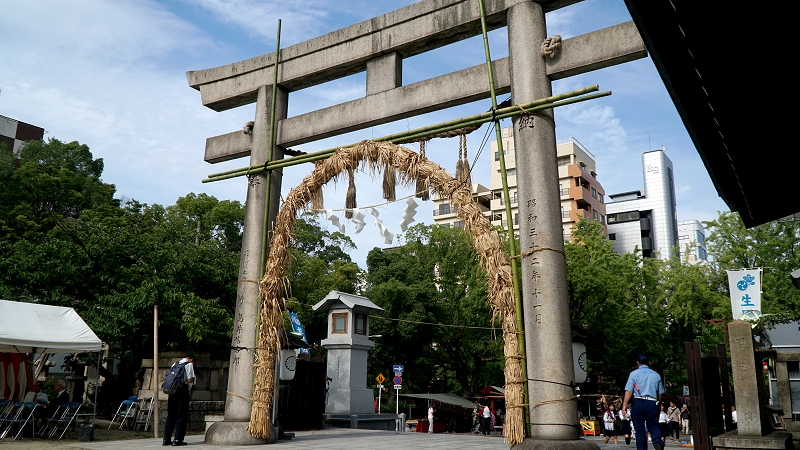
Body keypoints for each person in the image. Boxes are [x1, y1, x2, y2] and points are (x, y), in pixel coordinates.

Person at [621, 353, 665, 450]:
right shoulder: (656, 375)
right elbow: (660, 393)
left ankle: (642, 448)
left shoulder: (633, 374)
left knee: (639, 429)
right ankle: (657, 441)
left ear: (637, 362)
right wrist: (659, 403)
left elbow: (629, 391)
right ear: (649, 362)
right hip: (652, 402)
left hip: (638, 401)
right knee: (654, 425)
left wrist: (624, 405)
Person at [162, 354, 196, 447]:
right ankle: (178, 439)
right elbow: (189, 380)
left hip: (172, 392)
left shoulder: (175, 364)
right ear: (192, 359)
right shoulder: (189, 365)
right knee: (181, 415)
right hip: (182, 392)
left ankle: (166, 439)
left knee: (171, 415)